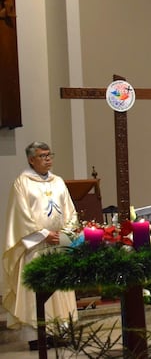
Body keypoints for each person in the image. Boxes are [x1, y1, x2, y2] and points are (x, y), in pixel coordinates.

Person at [2, 142, 78, 349]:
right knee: (36, 288)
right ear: (31, 159)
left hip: (58, 244)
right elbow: (21, 215)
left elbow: (70, 211)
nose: (48, 159)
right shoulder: (22, 183)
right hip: (36, 246)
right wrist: (44, 234)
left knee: (60, 288)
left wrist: (64, 233)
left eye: (49, 155)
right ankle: (37, 336)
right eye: (43, 156)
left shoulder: (58, 181)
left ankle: (59, 332)